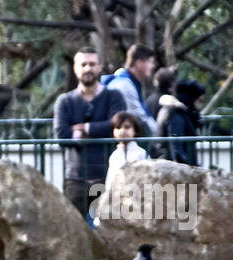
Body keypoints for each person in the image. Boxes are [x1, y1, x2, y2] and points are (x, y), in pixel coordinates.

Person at [54, 48, 126, 228]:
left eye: (92, 64)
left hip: (108, 175)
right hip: (76, 178)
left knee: (111, 231)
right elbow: (62, 135)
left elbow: (116, 127)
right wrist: (97, 129)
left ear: (100, 66)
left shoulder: (113, 96)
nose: (88, 68)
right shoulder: (65, 101)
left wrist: (83, 128)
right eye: (83, 64)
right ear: (75, 68)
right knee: (72, 231)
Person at [102, 44, 156, 137]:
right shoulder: (124, 86)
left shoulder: (128, 81)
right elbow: (138, 117)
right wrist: (159, 136)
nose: (153, 66)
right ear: (139, 63)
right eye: (150, 62)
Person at [160, 79, 204, 166]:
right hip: (175, 170)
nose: (198, 104)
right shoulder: (176, 115)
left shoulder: (181, 113)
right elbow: (177, 151)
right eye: (198, 100)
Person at [106, 111, 148, 180]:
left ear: (135, 130)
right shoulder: (114, 155)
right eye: (118, 127)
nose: (122, 131)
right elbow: (110, 181)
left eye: (127, 127)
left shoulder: (141, 153)